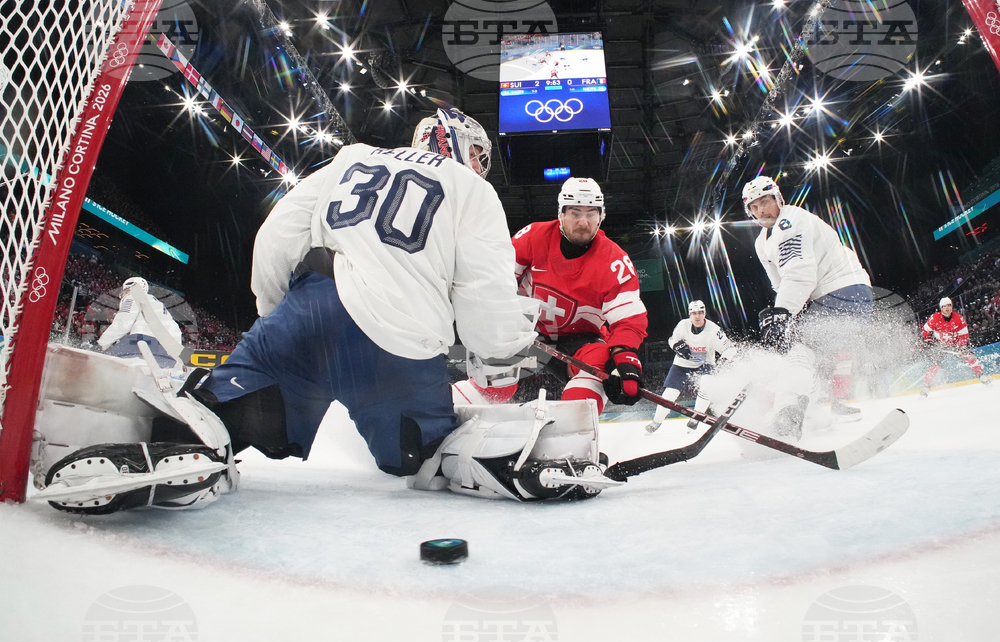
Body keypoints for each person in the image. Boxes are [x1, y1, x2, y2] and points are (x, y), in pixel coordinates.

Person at [39, 109, 610, 513]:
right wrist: (508, 345)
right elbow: (485, 306)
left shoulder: (350, 159)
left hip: (310, 312)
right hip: (400, 345)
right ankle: (505, 461)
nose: (481, 165)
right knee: (421, 458)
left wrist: (275, 319)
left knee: (228, 412)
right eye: (479, 154)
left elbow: (275, 237)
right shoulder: (473, 192)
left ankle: (180, 450)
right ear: (457, 145)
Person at [493, 177, 649, 414]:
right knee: (494, 368)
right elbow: (498, 283)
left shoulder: (615, 261)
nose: (583, 222)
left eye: (591, 214)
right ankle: (467, 401)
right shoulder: (534, 236)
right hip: (525, 331)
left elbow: (628, 320)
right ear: (561, 214)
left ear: (601, 216)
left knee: (601, 362)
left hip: (577, 341)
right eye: (575, 213)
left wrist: (625, 358)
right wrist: (500, 323)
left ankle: (574, 425)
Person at [742, 175, 872, 439]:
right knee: (799, 356)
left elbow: (800, 273)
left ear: (778, 198)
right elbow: (781, 284)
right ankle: (815, 417)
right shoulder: (762, 242)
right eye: (753, 207)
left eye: (764, 202)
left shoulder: (791, 221)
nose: (760, 211)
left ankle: (788, 416)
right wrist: (783, 318)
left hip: (843, 291)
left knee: (797, 352)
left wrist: (781, 316)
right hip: (829, 296)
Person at [646, 300, 734, 434]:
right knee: (669, 393)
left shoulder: (714, 330)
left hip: (704, 364)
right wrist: (677, 346)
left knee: (707, 384)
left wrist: (724, 359)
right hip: (681, 364)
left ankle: (695, 419)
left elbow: (730, 348)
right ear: (689, 315)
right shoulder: (683, 325)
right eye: (694, 313)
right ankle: (656, 421)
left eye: (700, 313)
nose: (697, 316)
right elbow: (672, 340)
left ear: (704, 313)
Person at [97, 277, 182, 368]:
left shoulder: (133, 295)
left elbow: (123, 323)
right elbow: (176, 331)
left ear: (129, 288)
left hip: (142, 343)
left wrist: (101, 345)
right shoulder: (160, 306)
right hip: (166, 354)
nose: (122, 296)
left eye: (123, 292)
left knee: (103, 365)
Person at [920, 297, 992, 397]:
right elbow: (925, 330)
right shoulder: (935, 317)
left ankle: (981, 376)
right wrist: (928, 341)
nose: (947, 308)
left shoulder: (959, 319)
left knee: (969, 357)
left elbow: (963, 335)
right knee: (935, 365)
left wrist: (961, 346)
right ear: (941, 308)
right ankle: (926, 387)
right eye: (944, 306)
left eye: (949, 305)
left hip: (955, 344)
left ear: (952, 306)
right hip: (940, 345)